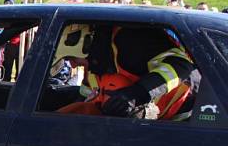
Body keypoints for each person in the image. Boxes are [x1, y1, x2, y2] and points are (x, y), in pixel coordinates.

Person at [57, 24, 198, 120]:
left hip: (186, 111)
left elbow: (182, 65)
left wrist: (137, 93)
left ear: (85, 44)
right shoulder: (95, 63)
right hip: (147, 123)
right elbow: (86, 97)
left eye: (71, 58)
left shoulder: (131, 40)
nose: (73, 65)